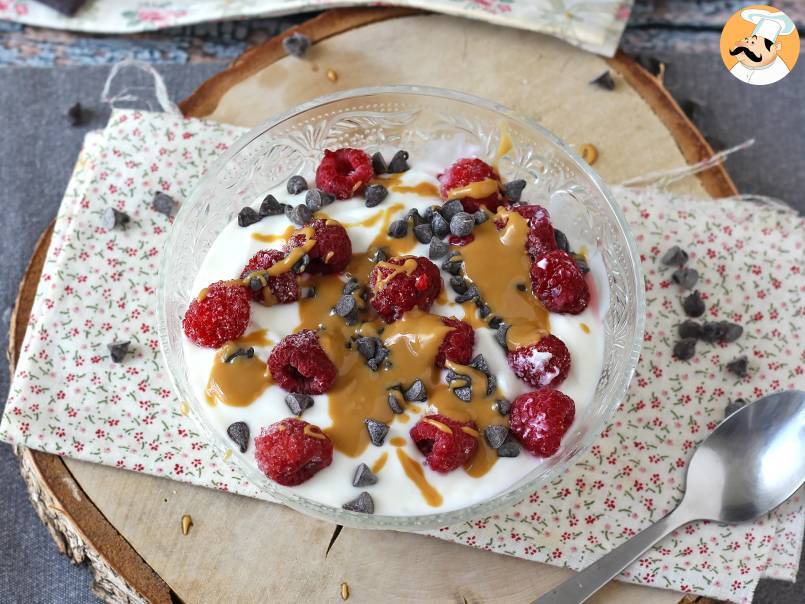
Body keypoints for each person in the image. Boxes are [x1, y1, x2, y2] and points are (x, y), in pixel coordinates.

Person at [728, 8, 796, 85]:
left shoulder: (778, 72)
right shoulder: (739, 66)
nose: (746, 45)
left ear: (775, 47)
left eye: (753, 43)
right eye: (747, 40)